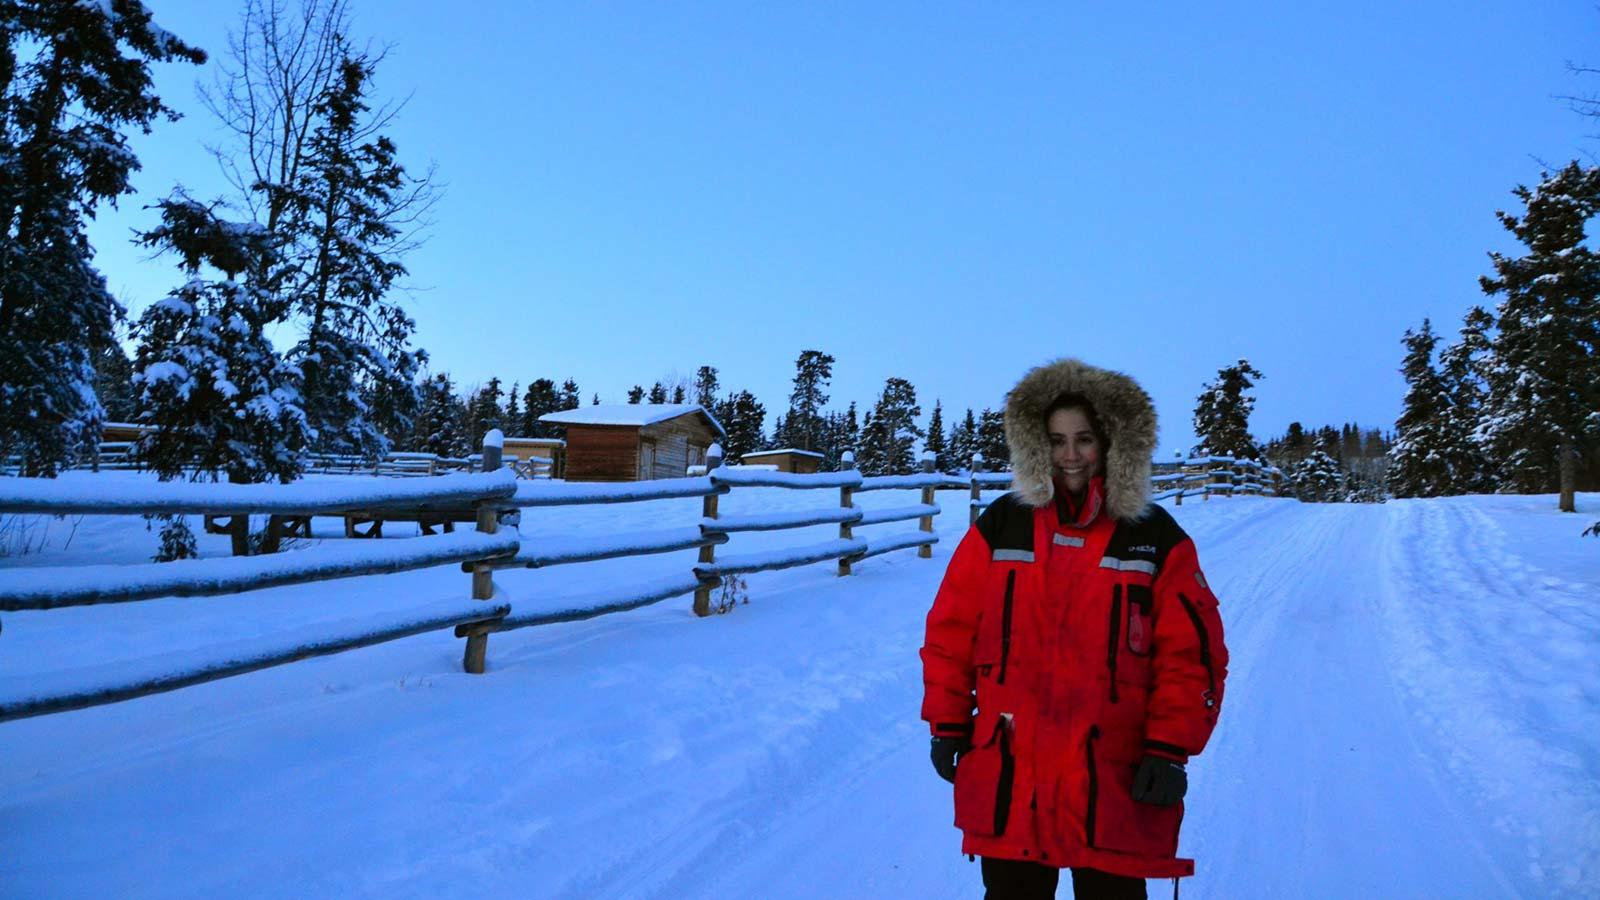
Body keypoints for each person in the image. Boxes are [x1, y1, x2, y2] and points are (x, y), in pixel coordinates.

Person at [920, 358, 1229, 900]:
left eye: (1084, 439)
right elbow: (951, 631)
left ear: (1111, 442)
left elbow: (1191, 655)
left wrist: (1168, 748)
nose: (1069, 456)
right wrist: (948, 724)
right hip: (1014, 772)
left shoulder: (1154, 538)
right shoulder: (1002, 525)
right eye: (1057, 440)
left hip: (1112, 776)